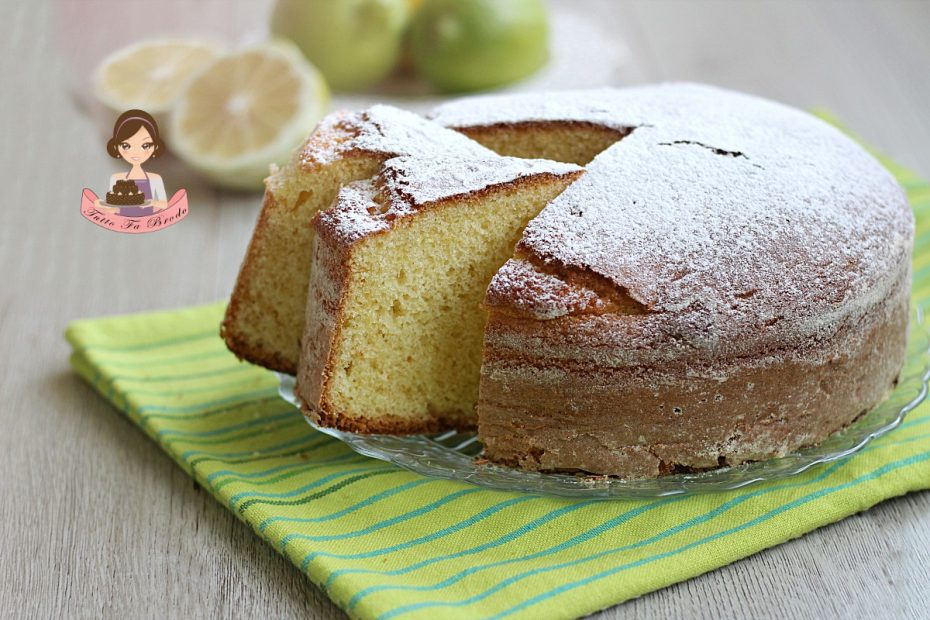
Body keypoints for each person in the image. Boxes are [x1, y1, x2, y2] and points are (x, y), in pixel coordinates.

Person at [98, 109, 168, 216]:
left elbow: (163, 204)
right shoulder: (117, 178)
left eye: (145, 145)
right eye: (126, 146)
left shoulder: (156, 178)